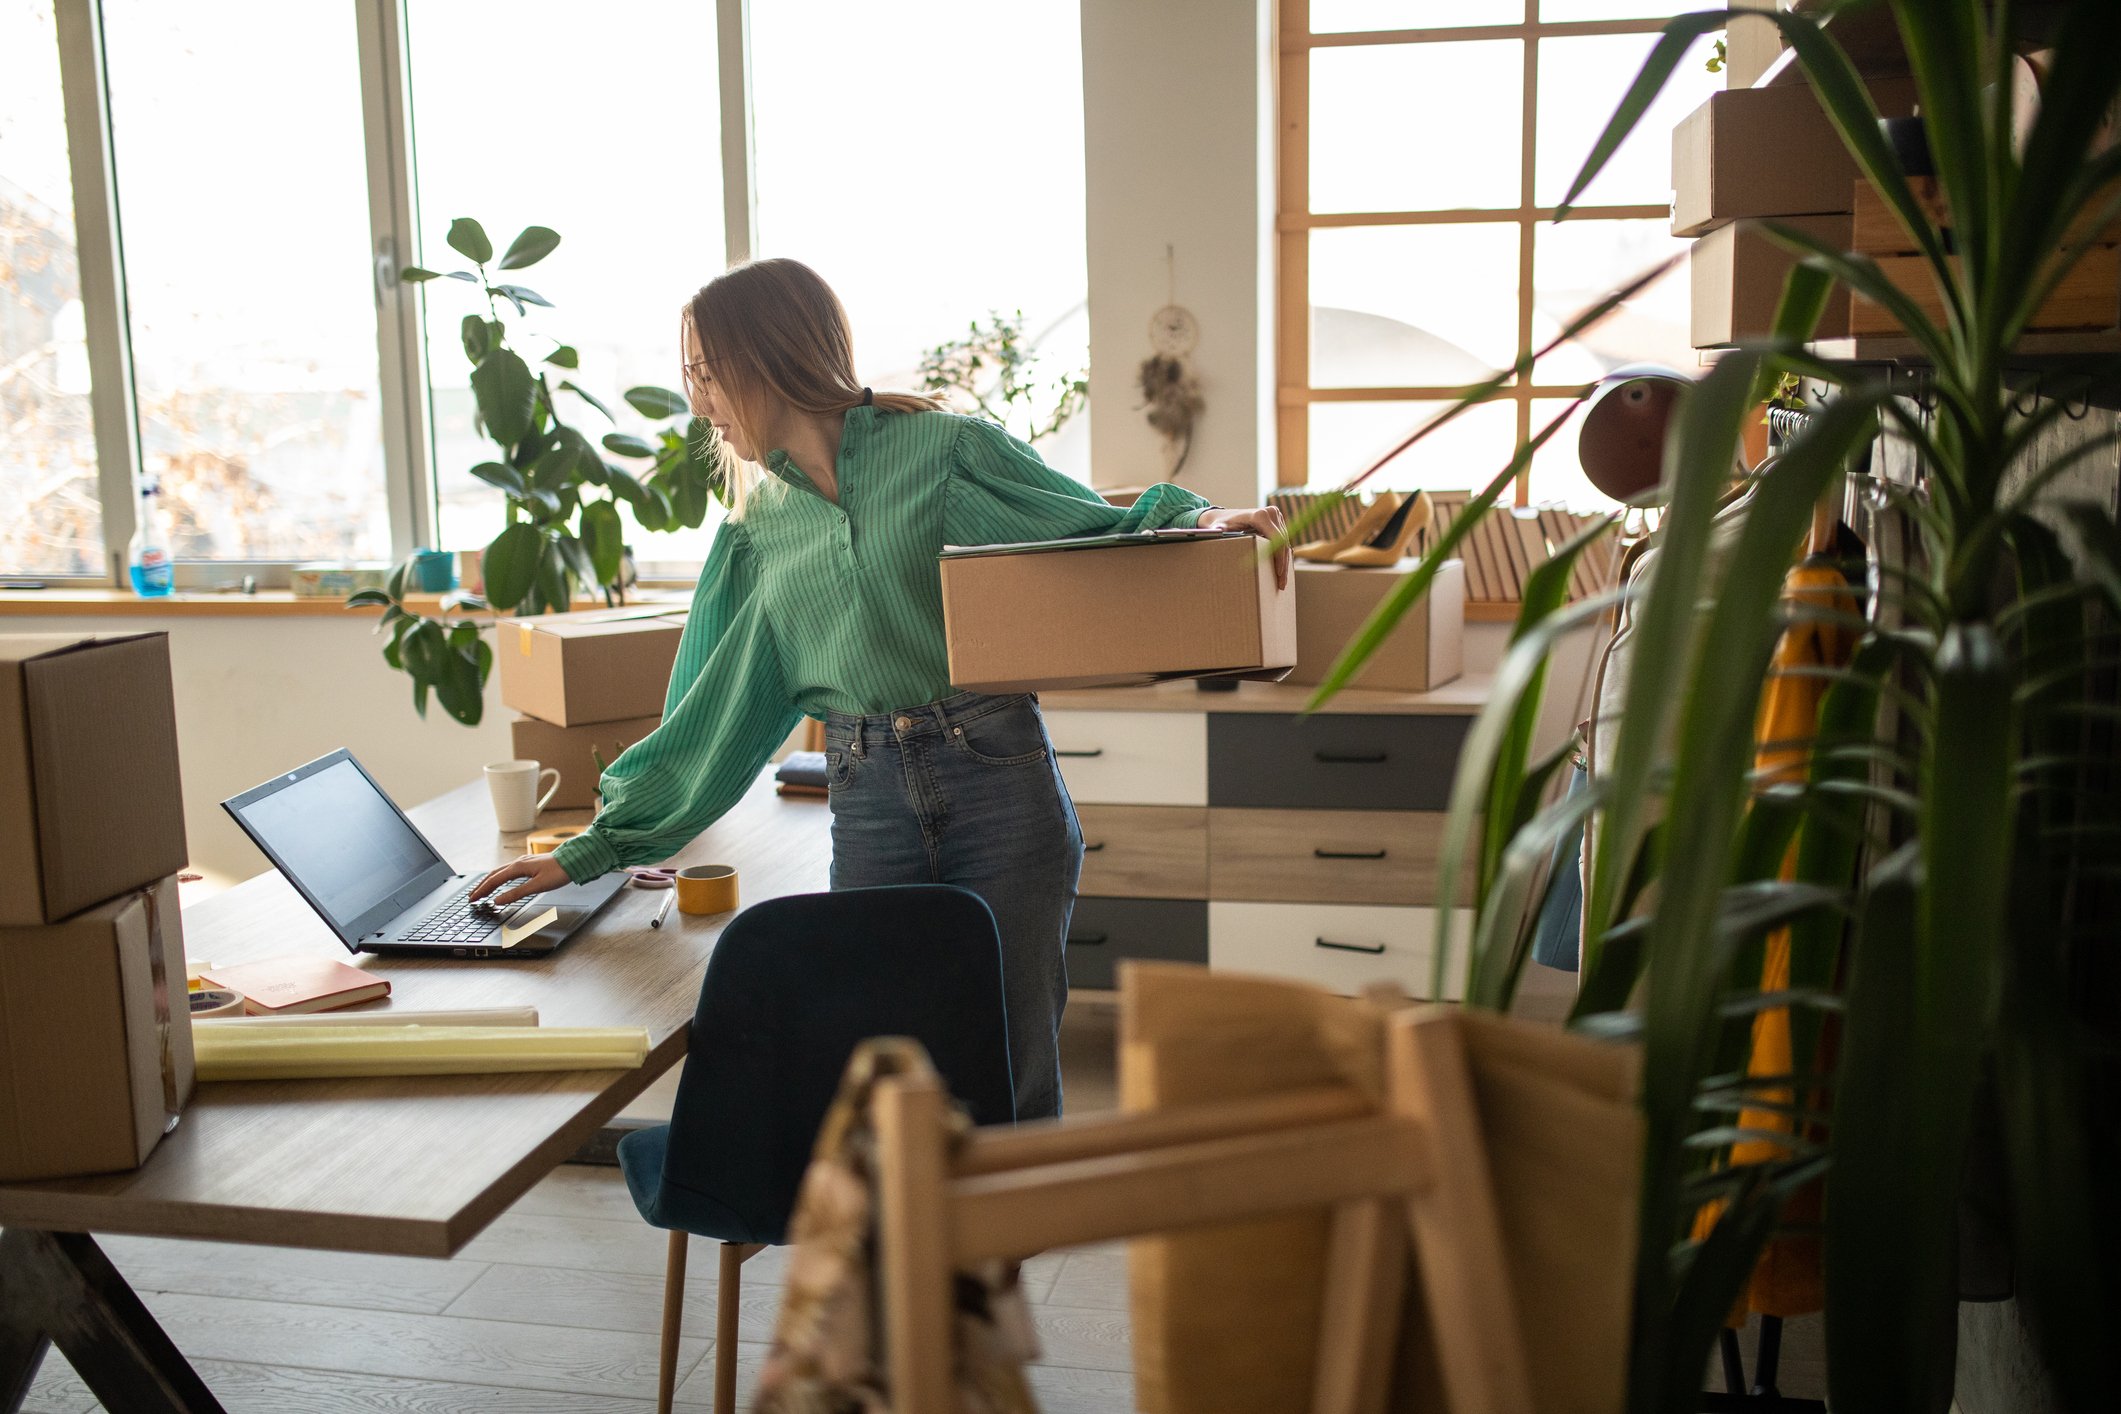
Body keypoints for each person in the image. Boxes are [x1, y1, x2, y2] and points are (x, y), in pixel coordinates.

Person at [473, 257, 1287, 1120]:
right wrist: (590, 849)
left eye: (707, 375)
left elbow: (1086, 525)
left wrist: (1200, 522)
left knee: (1010, 1071)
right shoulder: (757, 533)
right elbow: (712, 716)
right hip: (868, 805)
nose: (699, 402)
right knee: (888, 1084)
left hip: (999, 782)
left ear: (768, 357)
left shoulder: (943, 454)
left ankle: (1000, 1249)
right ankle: (910, 1254)